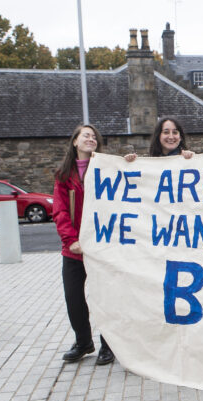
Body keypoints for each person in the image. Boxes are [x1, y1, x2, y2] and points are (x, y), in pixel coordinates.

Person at [53, 124, 114, 365]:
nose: (91, 139)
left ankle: (108, 344)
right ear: (75, 142)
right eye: (85, 135)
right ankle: (83, 341)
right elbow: (59, 211)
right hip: (75, 249)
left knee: (104, 297)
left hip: (101, 247)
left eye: (94, 136)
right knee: (73, 297)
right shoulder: (63, 176)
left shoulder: (107, 169)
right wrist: (71, 240)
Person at [124, 117, 195, 161]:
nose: (171, 137)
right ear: (158, 136)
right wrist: (128, 164)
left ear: (180, 137)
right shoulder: (151, 163)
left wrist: (195, 159)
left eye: (175, 132)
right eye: (166, 132)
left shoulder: (190, 160)